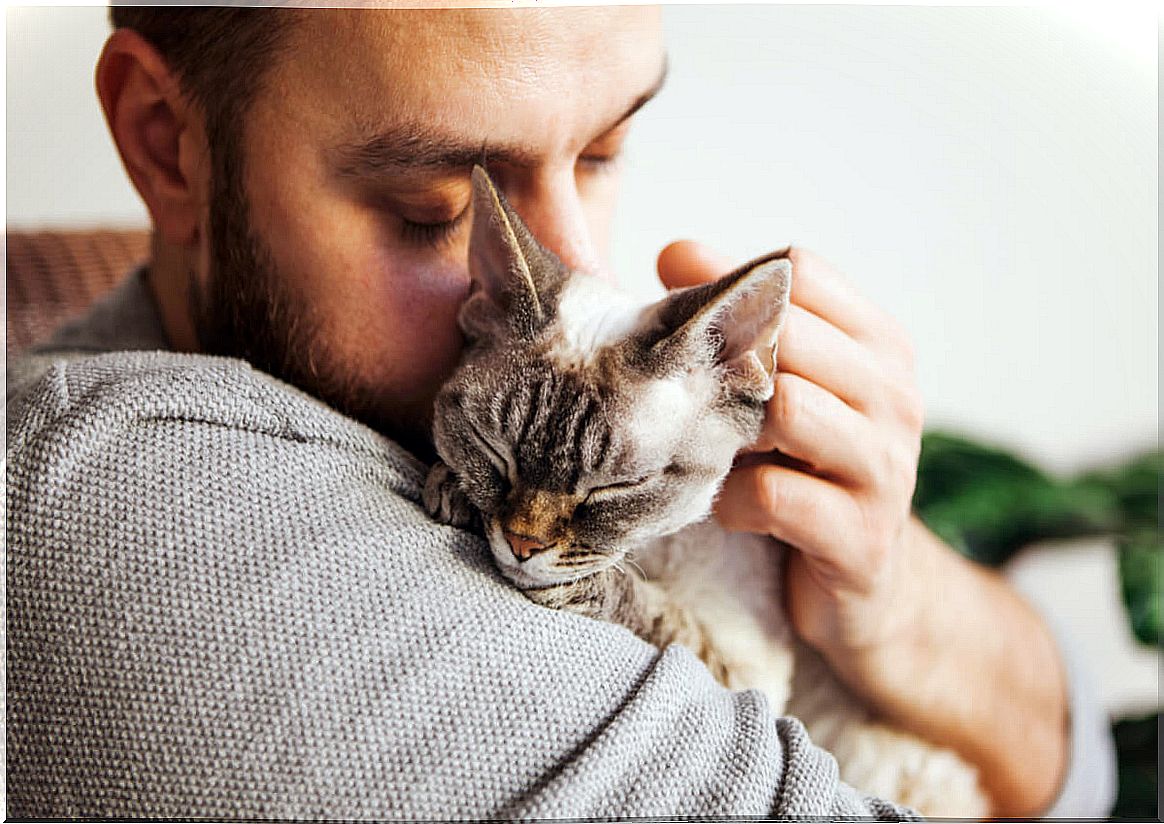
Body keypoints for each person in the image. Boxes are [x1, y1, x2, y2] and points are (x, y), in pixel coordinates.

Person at [6, 7, 1115, 819]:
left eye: (606, 147)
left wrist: (896, 600)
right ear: (166, 140)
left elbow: (1080, 770)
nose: (581, 267)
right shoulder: (128, 516)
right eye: (439, 207)